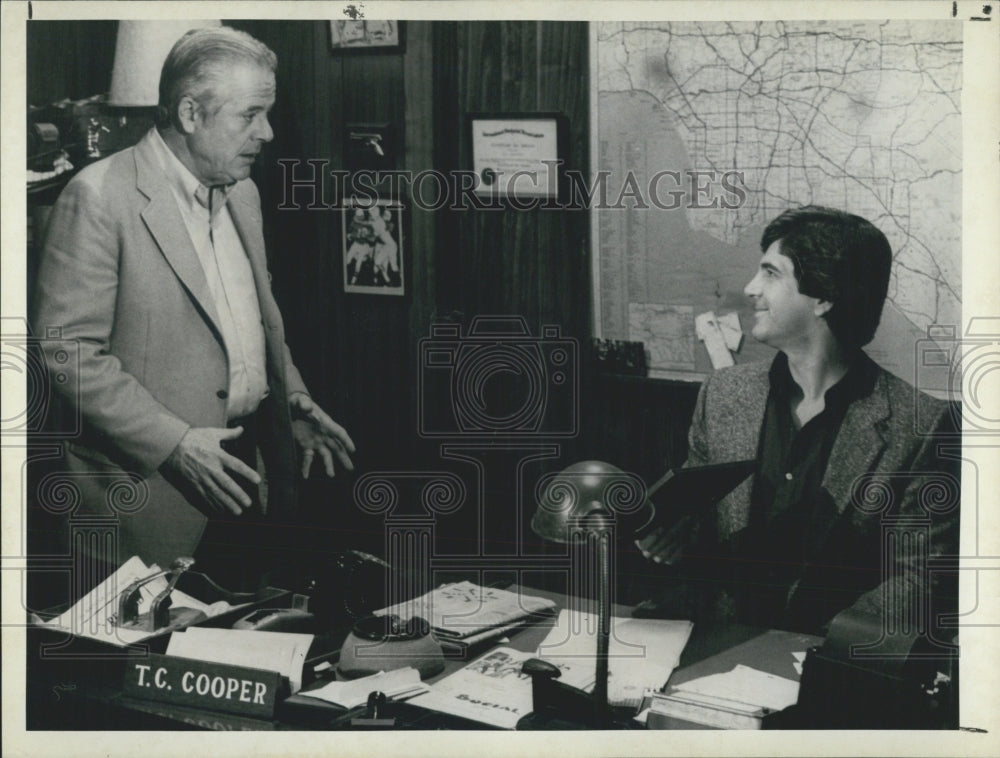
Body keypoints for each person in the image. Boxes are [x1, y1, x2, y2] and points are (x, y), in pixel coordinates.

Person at [32, 27, 355, 589]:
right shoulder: (98, 196)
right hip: (147, 504)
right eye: (250, 115)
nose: (268, 132)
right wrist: (175, 443)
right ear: (189, 113)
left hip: (246, 478)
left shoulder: (243, 192)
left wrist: (291, 398)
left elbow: (252, 319)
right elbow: (67, 351)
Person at [637, 206, 959, 638]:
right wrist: (673, 537)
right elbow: (702, 521)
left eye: (771, 274)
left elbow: (920, 577)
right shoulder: (724, 395)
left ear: (824, 296)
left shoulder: (920, 424)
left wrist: (826, 648)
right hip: (718, 648)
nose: (751, 288)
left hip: (835, 667)